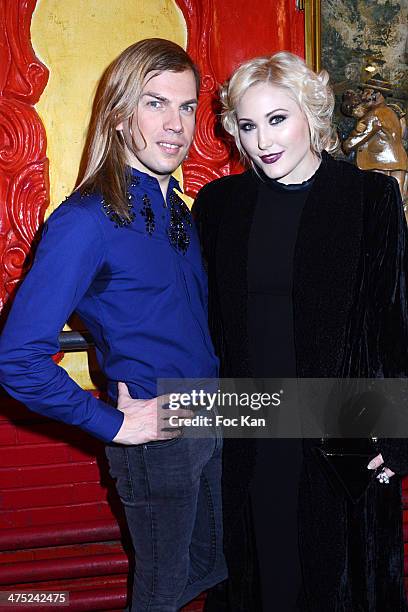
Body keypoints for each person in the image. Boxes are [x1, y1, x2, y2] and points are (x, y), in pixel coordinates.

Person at [0, 38, 226, 611]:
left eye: (187, 106)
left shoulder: (176, 204)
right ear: (120, 116)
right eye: (156, 103)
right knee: (160, 596)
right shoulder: (83, 220)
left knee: (215, 566)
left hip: (215, 411)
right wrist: (111, 424)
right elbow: (16, 359)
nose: (176, 124)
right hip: (158, 428)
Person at [193, 51, 408, 611]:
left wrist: (398, 434)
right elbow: (198, 318)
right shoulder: (218, 206)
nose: (262, 140)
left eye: (277, 118)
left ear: (312, 115)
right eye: (247, 124)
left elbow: (393, 321)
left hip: (340, 430)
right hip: (249, 426)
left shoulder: (370, 199)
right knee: (259, 577)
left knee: (333, 580)